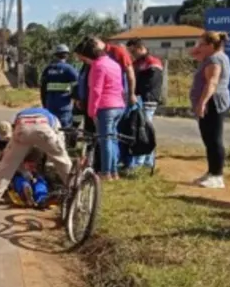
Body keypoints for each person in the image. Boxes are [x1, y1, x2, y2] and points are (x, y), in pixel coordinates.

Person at [0, 107, 73, 208]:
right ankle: (74, 190)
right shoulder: (54, 119)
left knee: (6, 166)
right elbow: (59, 147)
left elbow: (5, 153)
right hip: (43, 130)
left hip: (22, 127)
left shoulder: (20, 115)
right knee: (62, 160)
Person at [77, 37, 125, 180]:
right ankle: (114, 171)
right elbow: (121, 87)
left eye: (83, 58)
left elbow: (96, 90)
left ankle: (105, 172)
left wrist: (91, 111)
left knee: (105, 140)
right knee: (113, 139)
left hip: (105, 107)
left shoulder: (97, 66)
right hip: (118, 105)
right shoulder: (114, 64)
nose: (83, 61)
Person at [189, 31, 230, 189]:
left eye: (202, 44)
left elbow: (212, 83)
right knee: (208, 139)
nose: (198, 47)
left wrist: (202, 103)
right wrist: (199, 46)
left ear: (211, 45)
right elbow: (193, 54)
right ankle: (211, 171)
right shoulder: (212, 56)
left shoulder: (215, 59)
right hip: (210, 102)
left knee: (214, 139)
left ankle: (217, 175)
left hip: (213, 102)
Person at [126, 38, 164, 168]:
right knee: (141, 129)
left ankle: (141, 162)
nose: (132, 54)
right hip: (139, 100)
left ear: (141, 48)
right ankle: (147, 161)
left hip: (148, 100)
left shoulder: (152, 62)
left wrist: (140, 96)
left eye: (133, 51)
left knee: (143, 131)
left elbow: (151, 84)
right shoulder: (138, 63)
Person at [40, 44, 80, 128]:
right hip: (64, 105)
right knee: (64, 128)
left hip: (50, 104)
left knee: (52, 126)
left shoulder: (48, 69)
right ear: (67, 55)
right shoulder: (69, 69)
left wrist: (44, 104)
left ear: (55, 55)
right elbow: (77, 85)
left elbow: (43, 88)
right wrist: (76, 99)